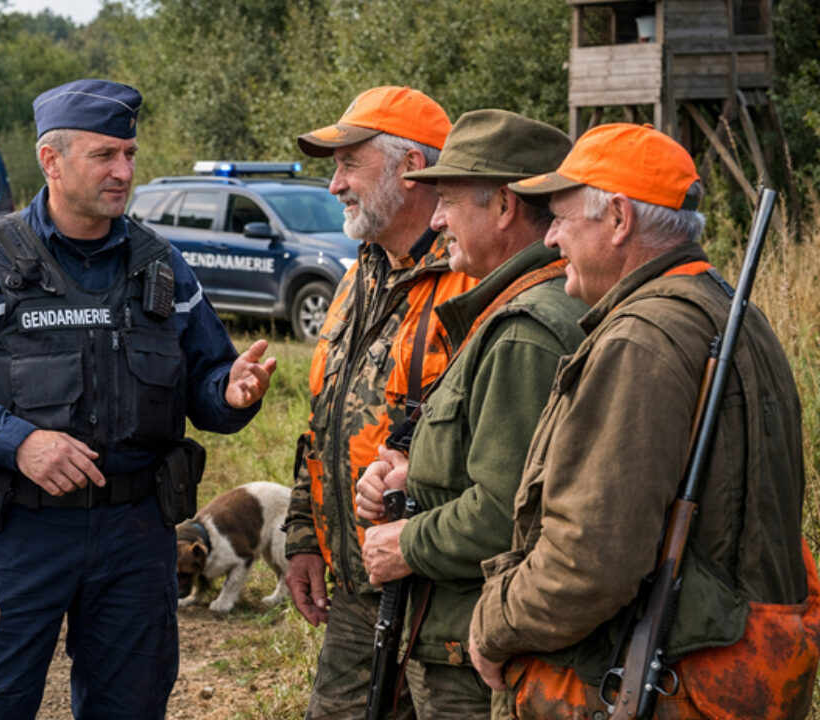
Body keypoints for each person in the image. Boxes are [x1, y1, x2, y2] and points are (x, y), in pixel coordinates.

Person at [0, 78, 276, 719]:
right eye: (105, 155)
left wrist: (233, 394)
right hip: (18, 532)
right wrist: (19, 442)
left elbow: (208, 386)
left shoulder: (163, 268)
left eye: (129, 153)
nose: (123, 170)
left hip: (136, 534)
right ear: (52, 160)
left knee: (129, 706)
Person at [468, 123, 820, 718]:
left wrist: (493, 625)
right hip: (741, 674)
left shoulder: (640, 340)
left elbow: (589, 564)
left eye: (560, 218)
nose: (550, 239)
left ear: (619, 219)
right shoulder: (733, 315)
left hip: (672, 681)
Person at [352, 109, 584, 719]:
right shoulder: (512, 310)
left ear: (505, 206)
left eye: (449, 201)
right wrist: (411, 480)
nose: (435, 220)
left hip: (476, 648)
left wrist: (406, 541)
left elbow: (508, 509)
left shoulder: (526, 331)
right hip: (465, 631)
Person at [283, 85, 476, 719]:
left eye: (349, 164)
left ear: (412, 169)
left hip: (447, 600)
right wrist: (305, 534)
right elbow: (325, 418)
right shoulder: (358, 272)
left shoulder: (475, 283)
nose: (334, 184)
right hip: (361, 588)